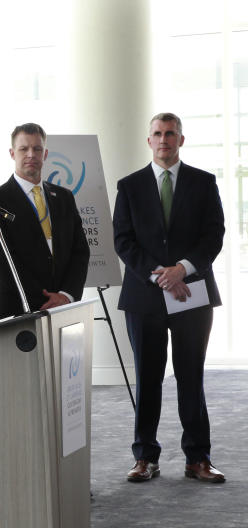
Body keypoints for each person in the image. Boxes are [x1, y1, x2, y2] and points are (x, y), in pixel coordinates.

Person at [112, 113, 226, 484]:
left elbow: (214, 235)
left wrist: (182, 268)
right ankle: (145, 457)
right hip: (145, 297)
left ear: (181, 139)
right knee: (148, 378)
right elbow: (123, 241)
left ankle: (198, 458)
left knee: (191, 376)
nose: (164, 139)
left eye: (171, 134)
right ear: (149, 141)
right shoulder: (128, 186)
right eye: (158, 134)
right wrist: (161, 276)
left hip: (192, 293)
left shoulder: (203, 182)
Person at [0, 123, 90, 319]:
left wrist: (65, 295)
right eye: (23, 149)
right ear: (12, 153)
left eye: (37, 149)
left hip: (63, 310)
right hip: (17, 312)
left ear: (45, 154)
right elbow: (4, 264)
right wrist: (45, 300)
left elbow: (80, 251)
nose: (31, 154)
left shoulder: (64, 197)